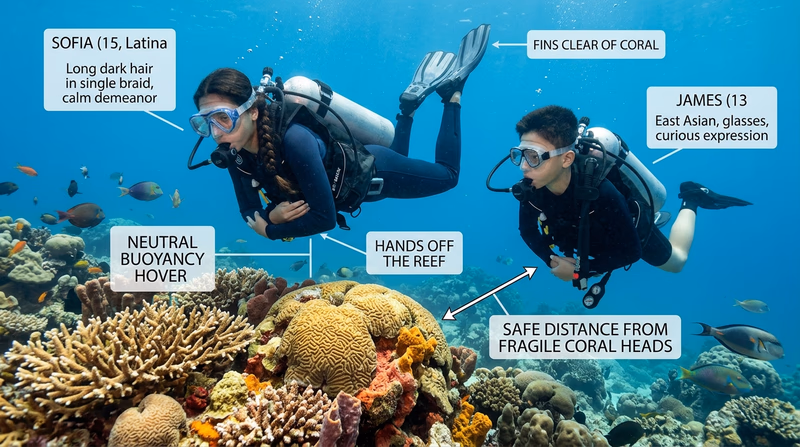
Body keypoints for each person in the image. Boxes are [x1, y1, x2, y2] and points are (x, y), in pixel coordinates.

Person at [190, 25, 490, 240]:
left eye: (223, 118)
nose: (215, 132)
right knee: (404, 156)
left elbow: (324, 218)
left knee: (449, 176)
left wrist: (271, 229)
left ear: (252, 110)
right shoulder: (234, 153)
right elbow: (248, 210)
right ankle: (407, 110)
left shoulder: (295, 140)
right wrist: (270, 215)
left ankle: (452, 95)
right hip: (356, 182)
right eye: (204, 122)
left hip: (376, 171)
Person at [515, 105, 751, 282]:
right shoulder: (531, 187)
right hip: (588, 234)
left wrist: (580, 270)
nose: (524, 165)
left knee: (677, 262)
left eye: (534, 156)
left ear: (567, 158)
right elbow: (526, 230)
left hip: (628, 227)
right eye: (520, 154)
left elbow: (630, 252)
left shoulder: (601, 192)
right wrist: (550, 259)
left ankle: (691, 198)